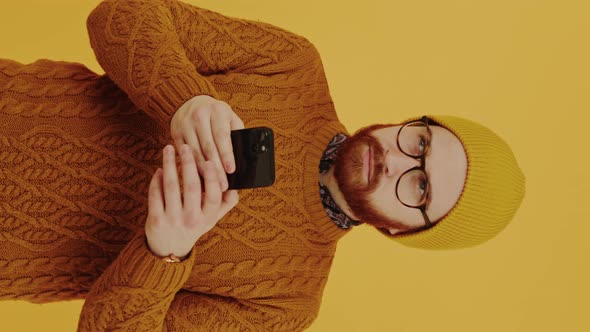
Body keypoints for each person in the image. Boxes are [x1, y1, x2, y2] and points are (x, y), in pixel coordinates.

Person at [0, 0, 525, 330]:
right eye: (420, 141)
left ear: (401, 229)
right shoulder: (293, 66)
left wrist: (163, 251)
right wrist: (183, 99)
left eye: (420, 189)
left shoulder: (286, 306)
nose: (397, 162)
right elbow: (121, 13)